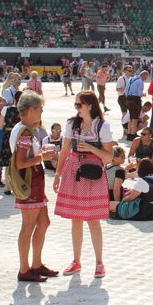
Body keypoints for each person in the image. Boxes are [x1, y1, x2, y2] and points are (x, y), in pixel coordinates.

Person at [53, 90, 115, 279]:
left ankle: (99, 262)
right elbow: (64, 150)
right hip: (74, 170)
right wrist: (58, 174)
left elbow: (109, 156)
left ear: (89, 105)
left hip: (93, 172)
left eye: (79, 105)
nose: (77, 108)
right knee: (76, 218)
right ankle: (76, 260)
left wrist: (89, 148)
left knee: (93, 220)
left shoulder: (102, 126)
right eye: (76, 105)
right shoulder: (72, 124)